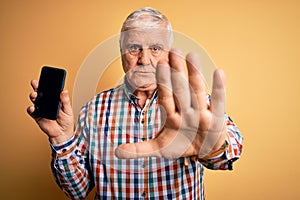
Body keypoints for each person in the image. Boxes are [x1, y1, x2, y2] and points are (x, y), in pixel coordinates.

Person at [27, 7, 243, 199]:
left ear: (167, 54)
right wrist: (61, 139)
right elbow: (78, 191)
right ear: (121, 51)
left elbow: (228, 153)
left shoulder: (190, 104)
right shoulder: (94, 110)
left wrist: (214, 148)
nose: (144, 60)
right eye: (134, 48)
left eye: (156, 48)